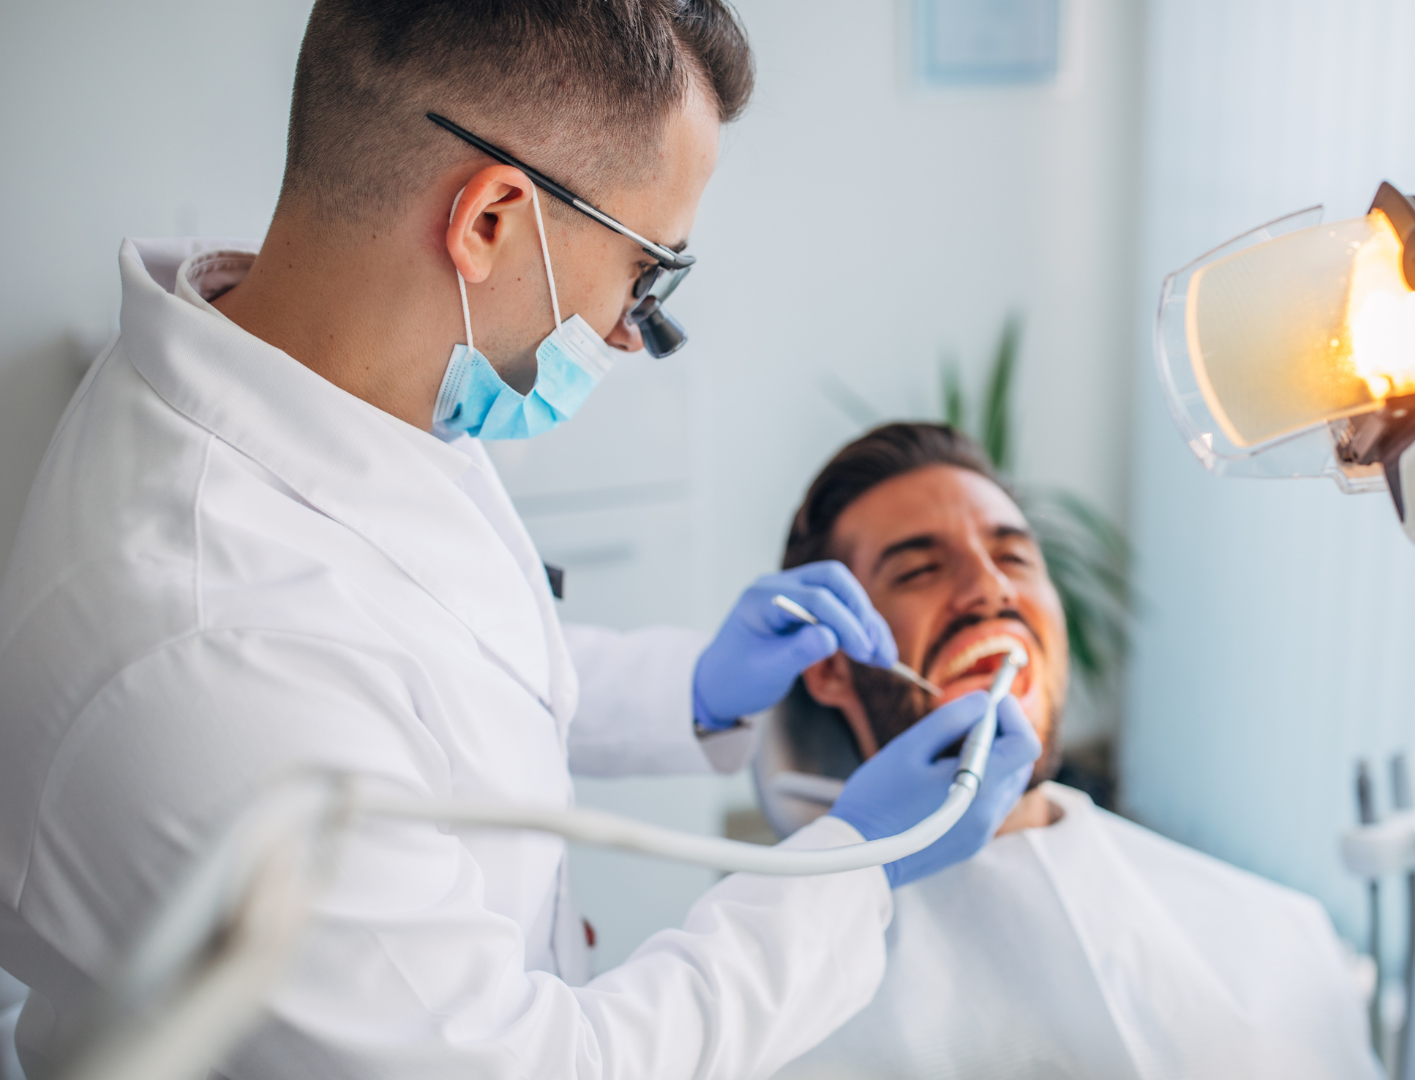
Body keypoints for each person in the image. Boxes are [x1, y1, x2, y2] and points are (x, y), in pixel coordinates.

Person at [0, 4, 1039, 1077]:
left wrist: (693, 688)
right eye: (649, 272)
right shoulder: (214, 642)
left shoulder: (322, 376)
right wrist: (853, 867)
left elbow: (435, 672)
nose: (636, 334)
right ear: (491, 219)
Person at [752, 424, 1381, 1080]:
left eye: (1016, 558)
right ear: (829, 667)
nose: (990, 588)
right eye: (918, 570)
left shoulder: (1279, 939)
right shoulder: (782, 1028)